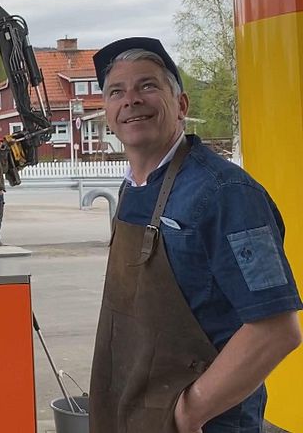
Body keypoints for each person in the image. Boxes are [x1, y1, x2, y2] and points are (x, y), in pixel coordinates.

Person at [88, 37, 302, 433]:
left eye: (147, 86)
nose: (131, 99)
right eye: (117, 91)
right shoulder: (131, 189)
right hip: (135, 414)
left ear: (182, 105)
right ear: (108, 112)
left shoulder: (227, 194)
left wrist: (188, 413)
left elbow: (276, 330)